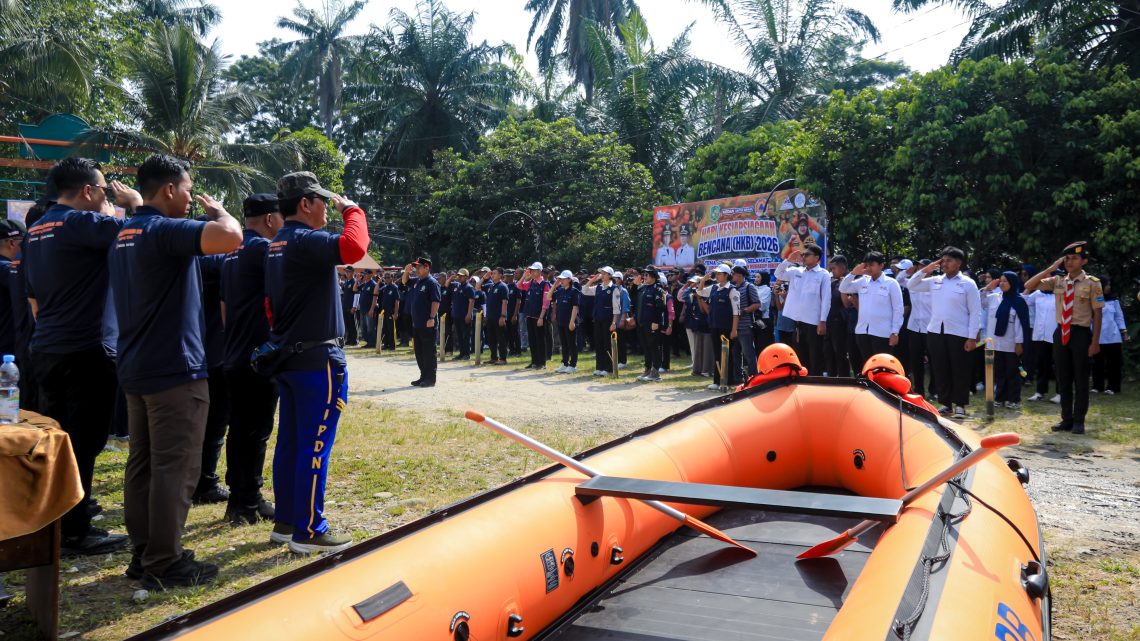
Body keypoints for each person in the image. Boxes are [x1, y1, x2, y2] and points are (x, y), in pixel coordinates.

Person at [109, 154, 243, 587]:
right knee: (176, 467)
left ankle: (144, 552)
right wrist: (220, 211)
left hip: (138, 367)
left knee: (143, 464)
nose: (190, 199)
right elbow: (231, 236)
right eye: (187, 190)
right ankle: (164, 562)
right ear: (168, 189)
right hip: (174, 371)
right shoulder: (163, 230)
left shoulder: (125, 232)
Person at [24, 158, 132, 556]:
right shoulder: (81, 224)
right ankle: (76, 531)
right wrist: (132, 204)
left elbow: (33, 295)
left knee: (59, 440)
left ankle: (59, 519)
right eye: (104, 190)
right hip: (85, 350)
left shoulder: (35, 230)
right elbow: (140, 232)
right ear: (88, 190)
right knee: (83, 442)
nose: (106, 198)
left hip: (47, 347)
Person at [264, 171, 369, 554]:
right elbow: (354, 248)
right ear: (305, 204)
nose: (329, 207)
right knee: (314, 446)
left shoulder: (277, 243)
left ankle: (287, 521)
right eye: (323, 200)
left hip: (290, 355)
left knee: (291, 443)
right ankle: (309, 529)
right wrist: (353, 209)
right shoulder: (306, 240)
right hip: (316, 360)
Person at [219, 193, 282, 526]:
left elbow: (224, 305)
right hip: (258, 356)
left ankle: (242, 498)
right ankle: (246, 501)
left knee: (241, 429)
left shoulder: (231, 250)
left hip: (235, 352)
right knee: (255, 430)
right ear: (271, 219)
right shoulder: (264, 250)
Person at [1025, 241, 1103, 434]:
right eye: (1067, 258)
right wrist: (1051, 269)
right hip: (1061, 332)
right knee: (1063, 378)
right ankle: (1066, 419)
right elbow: (1029, 285)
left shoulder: (1092, 283)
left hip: (1080, 333)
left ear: (1083, 261)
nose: (1069, 262)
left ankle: (1079, 421)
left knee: (1081, 378)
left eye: (1074, 258)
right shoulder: (1058, 281)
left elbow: (1098, 313)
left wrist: (1095, 342)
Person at [906, 247, 982, 419]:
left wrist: (972, 336)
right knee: (940, 368)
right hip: (935, 331)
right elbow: (912, 285)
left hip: (959, 332)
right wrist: (926, 270)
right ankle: (945, 403)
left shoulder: (968, 283)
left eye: (949, 260)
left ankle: (960, 405)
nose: (944, 264)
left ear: (959, 263)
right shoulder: (935, 280)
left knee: (959, 369)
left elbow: (975, 311)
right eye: (943, 260)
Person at [775, 244, 831, 374]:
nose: (803, 257)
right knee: (800, 354)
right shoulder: (797, 271)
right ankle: (803, 381)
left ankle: (815, 382)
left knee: (815, 355)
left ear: (817, 258)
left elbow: (826, 299)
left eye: (807, 254)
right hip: (798, 321)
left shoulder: (823, 274)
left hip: (813, 322)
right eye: (803, 254)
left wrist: (823, 321)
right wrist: (788, 260)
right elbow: (779, 273)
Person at [839, 252, 904, 358]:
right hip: (862, 331)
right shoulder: (863, 281)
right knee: (867, 365)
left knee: (882, 367)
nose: (868, 268)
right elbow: (843, 288)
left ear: (881, 265)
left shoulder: (891, 283)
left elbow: (898, 309)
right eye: (867, 265)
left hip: (882, 333)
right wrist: (853, 273)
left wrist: (895, 332)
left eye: (872, 265)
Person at [983, 272, 1030, 409]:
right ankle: (1000, 398)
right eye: (1001, 281)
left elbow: (1021, 324)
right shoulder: (994, 297)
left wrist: (1019, 343)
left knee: (1012, 372)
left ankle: (1014, 399)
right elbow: (980, 301)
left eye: (1006, 281)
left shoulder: (1019, 301)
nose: (1003, 284)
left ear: (1013, 283)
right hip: (995, 342)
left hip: (1011, 342)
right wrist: (987, 288)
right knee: (999, 372)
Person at [697, 264, 740, 390]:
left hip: (726, 328)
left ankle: (727, 381)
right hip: (714, 326)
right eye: (716, 273)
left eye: (720, 274)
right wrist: (703, 281)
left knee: (726, 355)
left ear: (726, 275)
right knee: (717, 353)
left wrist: (734, 330)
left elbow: (736, 312)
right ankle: (717, 381)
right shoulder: (714, 288)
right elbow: (700, 292)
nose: (717, 275)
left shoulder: (732, 290)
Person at [403, 258, 441, 387]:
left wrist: (431, 317)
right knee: (419, 352)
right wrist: (406, 271)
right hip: (417, 324)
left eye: (419, 267)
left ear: (427, 268)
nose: (417, 269)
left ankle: (430, 379)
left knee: (429, 352)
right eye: (416, 267)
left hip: (428, 324)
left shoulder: (432, 283)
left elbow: (436, 301)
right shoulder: (417, 282)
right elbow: (405, 281)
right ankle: (423, 376)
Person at [582, 266, 622, 375]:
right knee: (599, 343)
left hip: (608, 320)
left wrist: (614, 323)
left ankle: (608, 368)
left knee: (607, 344)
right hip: (598, 319)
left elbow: (616, 308)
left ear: (609, 275)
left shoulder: (614, 289)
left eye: (604, 273)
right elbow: (584, 290)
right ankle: (600, 367)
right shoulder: (598, 287)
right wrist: (592, 280)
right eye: (601, 273)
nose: (602, 275)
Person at [1091, 275, 1128, 395]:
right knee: (1098, 363)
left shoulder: (1114, 301)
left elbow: (1119, 317)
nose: (1108, 287)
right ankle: (1097, 386)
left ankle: (1113, 387)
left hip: (1113, 336)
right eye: (1106, 284)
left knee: (1114, 363)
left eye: (1109, 285)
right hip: (1097, 336)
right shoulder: (1092, 299)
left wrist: (1124, 332)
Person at [1025, 277, 1059, 403]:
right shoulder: (1038, 294)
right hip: (1040, 335)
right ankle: (1040, 391)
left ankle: (1060, 393)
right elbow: (1024, 300)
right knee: (1041, 364)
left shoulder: (1060, 294)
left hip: (1055, 335)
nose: (1044, 284)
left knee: (1058, 365)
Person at [905, 259, 933, 396]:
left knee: (934, 360)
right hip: (915, 327)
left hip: (930, 327)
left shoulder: (935, 282)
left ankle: (934, 390)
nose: (921, 269)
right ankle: (919, 390)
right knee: (916, 360)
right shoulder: (913, 283)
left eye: (924, 267)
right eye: (920, 267)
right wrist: (909, 271)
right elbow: (899, 279)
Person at [635, 266, 668, 382]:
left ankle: (655, 371)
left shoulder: (658, 290)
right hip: (642, 323)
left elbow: (661, 308)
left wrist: (656, 322)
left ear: (654, 276)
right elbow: (636, 303)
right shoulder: (643, 289)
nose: (645, 276)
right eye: (644, 274)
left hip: (652, 324)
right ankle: (647, 369)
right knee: (646, 347)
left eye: (647, 275)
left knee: (654, 347)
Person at [517, 262, 551, 369]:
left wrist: (541, 317)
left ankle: (542, 363)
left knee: (540, 340)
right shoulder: (531, 282)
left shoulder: (545, 284)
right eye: (531, 270)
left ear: (540, 271)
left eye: (534, 270)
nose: (531, 272)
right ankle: (534, 361)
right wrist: (524, 275)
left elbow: (546, 303)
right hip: (530, 315)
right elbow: (519, 285)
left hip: (539, 317)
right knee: (532, 340)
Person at [679, 275, 713, 377]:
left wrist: (700, 297)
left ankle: (706, 369)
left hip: (707, 324)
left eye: (699, 284)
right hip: (697, 324)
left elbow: (705, 310)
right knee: (697, 348)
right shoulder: (692, 295)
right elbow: (682, 297)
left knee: (707, 348)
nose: (697, 287)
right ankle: (697, 368)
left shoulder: (708, 294)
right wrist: (690, 287)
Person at [731, 266, 761, 379]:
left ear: (740, 275)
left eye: (733, 274)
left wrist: (745, 310)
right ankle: (738, 378)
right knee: (735, 354)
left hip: (745, 326)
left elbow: (757, 304)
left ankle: (754, 376)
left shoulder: (749, 287)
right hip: (734, 326)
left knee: (748, 354)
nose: (732, 276)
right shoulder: (733, 288)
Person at [824, 256, 852, 377]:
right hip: (828, 321)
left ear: (843, 268)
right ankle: (831, 378)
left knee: (840, 353)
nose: (832, 271)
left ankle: (844, 379)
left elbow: (847, 304)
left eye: (834, 268)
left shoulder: (851, 281)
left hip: (841, 323)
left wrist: (843, 285)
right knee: (828, 353)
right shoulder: (831, 282)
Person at [551, 270, 582, 373]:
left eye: (563, 279)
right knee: (564, 344)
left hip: (570, 321)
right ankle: (564, 363)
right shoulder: (559, 290)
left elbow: (575, 307)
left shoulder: (574, 291)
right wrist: (554, 286)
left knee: (572, 343)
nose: (561, 280)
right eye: (560, 278)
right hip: (561, 321)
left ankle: (573, 365)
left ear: (569, 279)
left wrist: (572, 322)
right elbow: (548, 297)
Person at [484, 268, 510, 364]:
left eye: (495, 273)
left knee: (501, 338)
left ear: (500, 275)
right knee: (491, 338)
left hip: (499, 317)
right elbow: (477, 287)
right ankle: (494, 357)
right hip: (490, 316)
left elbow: (504, 302)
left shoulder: (503, 286)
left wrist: (503, 316)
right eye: (492, 273)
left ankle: (503, 358)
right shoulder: (491, 286)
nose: (492, 275)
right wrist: (484, 277)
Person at [447, 269, 475, 360]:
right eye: (458, 275)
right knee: (459, 335)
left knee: (465, 335)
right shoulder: (457, 286)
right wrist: (452, 277)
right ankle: (461, 353)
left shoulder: (469, 287)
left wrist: (469, 314)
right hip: (456, 315)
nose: (459, 277)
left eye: (461, 275)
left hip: (464, 315)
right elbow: (446, 285)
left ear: (466, 277)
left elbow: (471, 301)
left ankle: (466, 354)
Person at [377, 271, 401, 350]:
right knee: (385, 329)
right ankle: (386, 344)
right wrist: (379, 282)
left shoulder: (394, 288)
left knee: (391, 329)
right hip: (385, 312)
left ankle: (392, 345)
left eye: (388, 277)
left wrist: (396, 313)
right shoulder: (385, 287)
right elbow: (376, 291)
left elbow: (397, 301)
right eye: (385, 278)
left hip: (391, 312)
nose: (386, 279)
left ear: (392, 278)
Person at [339, 266, 358, 346]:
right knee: (347, 324)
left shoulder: (354, 282)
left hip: (351, 306)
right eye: (346, 272)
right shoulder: (346, 282)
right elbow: (342, 292)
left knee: (353, 324)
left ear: (353, 272)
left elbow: (357, 295)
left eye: (349, 271)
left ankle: (354, 340)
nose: (347, 273)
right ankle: (349, 339)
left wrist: (354, 306)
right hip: (345, 306)